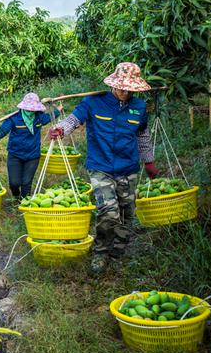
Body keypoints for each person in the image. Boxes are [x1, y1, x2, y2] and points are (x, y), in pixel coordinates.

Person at [48, 62, 158, 274]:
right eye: (121, 87)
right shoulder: (93, 103)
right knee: (108, 212)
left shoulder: (140, 107)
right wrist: (60, 129)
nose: (124, 91)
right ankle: (100, 252)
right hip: (101, 166)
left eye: (129, 88)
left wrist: (149, 160)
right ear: (113, 83)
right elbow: (74, 120)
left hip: (128, 167)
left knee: (127, 212)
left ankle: (118, 251)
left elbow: (143, 134)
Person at [0, 92, 62, 198]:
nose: (30, 111)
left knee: (26, 182)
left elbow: (50, 116)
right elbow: (4, 129)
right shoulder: (14, 118)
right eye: (28, 109)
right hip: (15, 154)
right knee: (14, 183)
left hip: (33, 155)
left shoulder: (39, 117)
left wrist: (59, 108)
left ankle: (25, 202)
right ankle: (16, 196)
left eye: (33, 109)